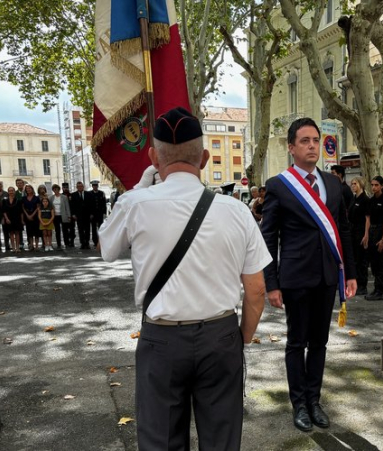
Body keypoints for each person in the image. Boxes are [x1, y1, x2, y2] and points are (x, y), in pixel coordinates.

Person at [98, 107, 270, 450]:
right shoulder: (235, 210)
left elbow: (106, 248)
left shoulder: (134, 203)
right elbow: (256, 290)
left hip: (161, 339)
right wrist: (242, 339)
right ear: (205, 157)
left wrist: (136, 189)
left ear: (152, 157)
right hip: (220, 335)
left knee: (161, 442)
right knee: (221, 441)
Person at [261, 117, 356, 433]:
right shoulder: (278, 185)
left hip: (327, 277)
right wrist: (271, 283)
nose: (312, 145)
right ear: (291, 147)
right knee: (296, 342)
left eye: (315, 139)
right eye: (304, 140)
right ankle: (299, 404)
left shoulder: (333, 184)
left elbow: (343, 229)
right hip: (295, 278)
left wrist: (351, 273)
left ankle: (315, 401)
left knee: (320, 342)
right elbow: (268, 237)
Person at [362, 176, 383, 301]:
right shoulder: (371, 200)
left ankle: (380, 290)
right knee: (373, 261)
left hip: (381, 230)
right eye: (372, 185)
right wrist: (366, 235)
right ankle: (375, 289)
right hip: (372, 230)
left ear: (381, 186)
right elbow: (367, 219)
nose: (373, 187)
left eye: (376, 185)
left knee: (379, 262)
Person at [349, 176, 370, 295]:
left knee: (362, 259)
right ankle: (356, 283)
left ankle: (363, 285)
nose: (353, 186)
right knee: (355, 259)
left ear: (360, 185)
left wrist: (366, 235)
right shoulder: (354, 198)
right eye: (352, 184)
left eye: (355, 183)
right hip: (353, 231)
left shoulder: (365, 200)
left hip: (361, 231)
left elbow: (368, 219)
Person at [1, 187, 23, 253]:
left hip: (17, 218)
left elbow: (21, 211)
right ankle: (13, 247)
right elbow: (4, 211)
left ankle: (17, 247)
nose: (11, 192)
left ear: (14, 191)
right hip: (8, 219)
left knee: (17, 233)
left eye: (12, 191)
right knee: (11, 233)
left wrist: (22, 220)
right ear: (8, 192)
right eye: (9, 191)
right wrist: (6, 219)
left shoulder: (18, 200)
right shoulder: (4, 200)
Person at [71, 181, 92, 249]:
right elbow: (72, 205)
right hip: (79, 216)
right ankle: (82, 243)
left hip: (87, 215)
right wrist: (73, 214)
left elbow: (91, 205)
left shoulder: (88, 194)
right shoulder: (73, 195)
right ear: (76, 187)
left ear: (83, 187)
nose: (80, 188)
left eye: (81, 186)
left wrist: (91, 214)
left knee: (87, 230)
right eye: (78, 187)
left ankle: (87, 243)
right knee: (80, 230)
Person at [22, 185, 41, 251]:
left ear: (32, 189)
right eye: (27, 189)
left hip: (35, 216)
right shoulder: (24, 198)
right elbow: (23, 208)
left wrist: (32, 215)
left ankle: (36, 246)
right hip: (27, 216)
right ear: (25, 190)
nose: (28, 190)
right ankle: (31, 245)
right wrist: (27, 215)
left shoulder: (36, 198)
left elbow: (38, 207)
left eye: (29, 188)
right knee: (29, 232)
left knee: (36, 232)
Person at [0, 181, 11, 251]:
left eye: (0, 184)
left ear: (2, 185)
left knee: (6, 231)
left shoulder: (6, 193)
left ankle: (7, 245)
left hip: (5, 214)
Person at [50, 184, 68, 249]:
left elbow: (67, 207)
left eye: (56, 189)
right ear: (53, 190)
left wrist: (68, 215)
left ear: (59, 189)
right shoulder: (51, 198)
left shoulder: (64, 197)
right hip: (55, 216)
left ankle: (66, 243)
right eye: (54, 189)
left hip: (63, 215)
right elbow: (50, 207)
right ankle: (59, 244)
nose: (55, 190)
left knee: (65, 230)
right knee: (57, 231)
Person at [89, 180, 107, 249]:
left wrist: (104, 213)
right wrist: (90, 213)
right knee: (93, 228)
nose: (95, 187)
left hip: (100, 213)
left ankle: (101, 241)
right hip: (93, 214)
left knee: (100, 228)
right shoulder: (90, 193)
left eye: (96, 185)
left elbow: (104, 203)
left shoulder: (101, 193)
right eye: (94, 185)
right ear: (92, 186)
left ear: (97, 186)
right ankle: (95, 241)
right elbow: (89, 205)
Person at [61, 182, 76, 247]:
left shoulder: (72, 195)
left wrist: (73, 214)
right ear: (62, 188)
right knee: (64, 230)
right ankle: (66, 242)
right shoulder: (61, 196)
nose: (65, 189)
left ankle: (72, 241)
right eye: (64, 187)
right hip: (64, 215)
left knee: (72, 229)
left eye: (66, 187)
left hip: (71, 215)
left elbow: (74, 206)